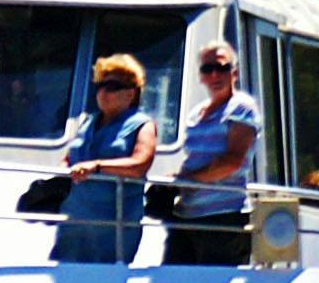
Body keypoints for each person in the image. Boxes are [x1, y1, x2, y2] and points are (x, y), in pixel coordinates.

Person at [52, 53, 162, 264]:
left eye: (111, 86)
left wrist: (97, 166)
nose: (103, 92)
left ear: (130, 93)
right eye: (100, 85)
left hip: (114, 226)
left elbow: (140, 164)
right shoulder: (88, 122)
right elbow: (70, 158)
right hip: (74, 221)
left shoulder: (142, 124)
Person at [161, 41, 260, 265]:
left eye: (222, 68)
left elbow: (233, 161)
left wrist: (187, 181)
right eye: (208, 69)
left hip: (223, 218)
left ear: (234, 73)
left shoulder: (242, 107)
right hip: (186, 216)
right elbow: (196, 158)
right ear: (201, 76)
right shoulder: (197, 112)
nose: (215, 74)